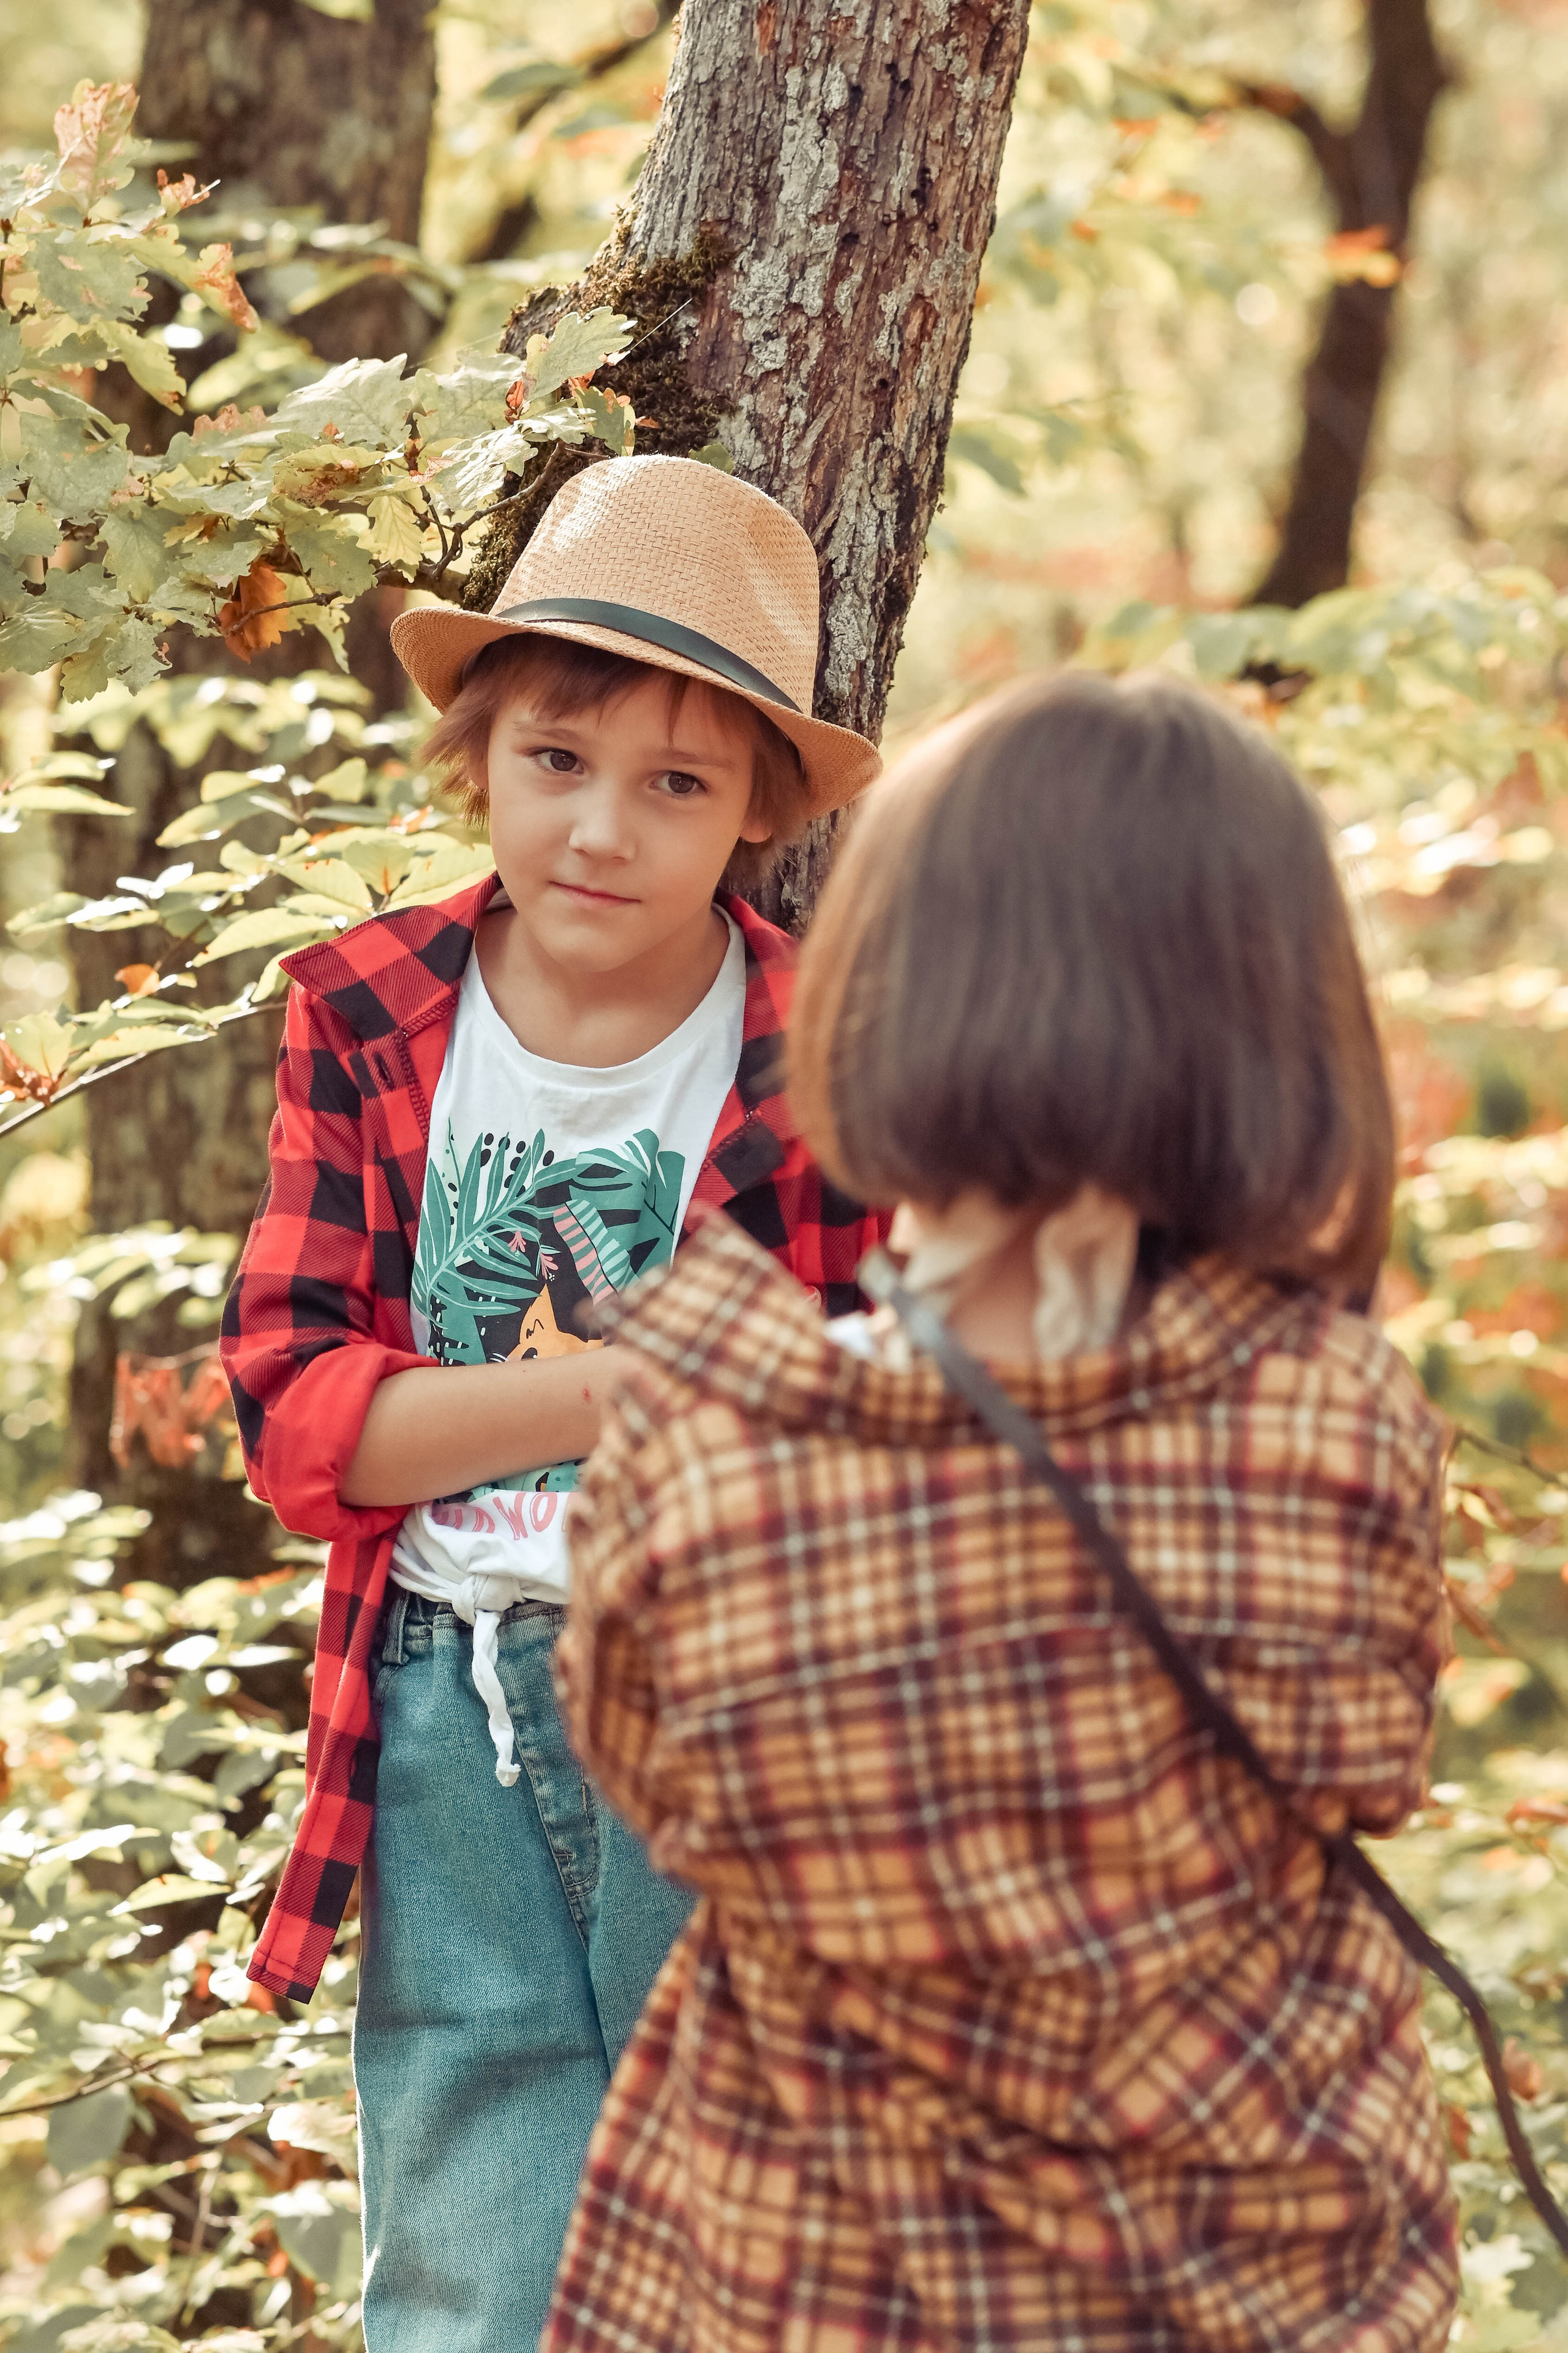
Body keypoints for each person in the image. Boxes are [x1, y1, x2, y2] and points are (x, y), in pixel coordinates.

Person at [542, 672, 1460, 2352]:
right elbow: (1377, 1756)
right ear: (1274, 1024)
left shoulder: (710, 1456)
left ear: (890, 996)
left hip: (818, 2281)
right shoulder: (1341, 1421)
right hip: (1258, 2279)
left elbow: (656, 1787)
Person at [219, 453, 889, 2351]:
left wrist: (487, 1408)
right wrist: (638, 1377)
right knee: (473, 2248)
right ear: (483, 752)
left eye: (678, 782)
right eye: (558, 760)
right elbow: (299, 1421)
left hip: (730, 1698)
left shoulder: (826, 1053)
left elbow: (873, 1420)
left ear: (758, 807)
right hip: (444, 1703)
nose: (603, 827)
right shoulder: (363, 1011)